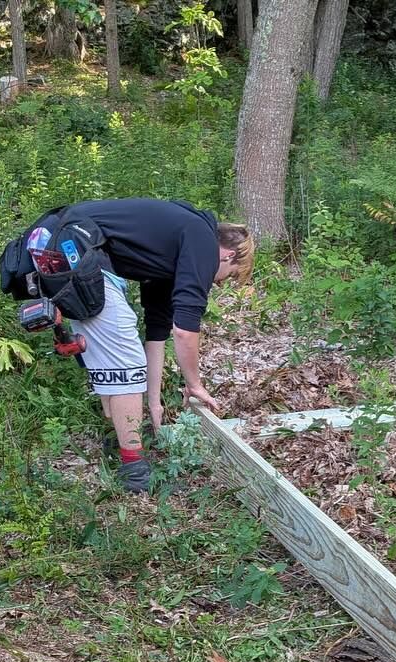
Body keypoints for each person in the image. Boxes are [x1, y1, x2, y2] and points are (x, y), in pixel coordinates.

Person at [26, 198, 254, 491]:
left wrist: (154, 403)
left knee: (111, 358)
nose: (220, 282)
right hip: (75, 248)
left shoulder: (171, 249)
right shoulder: (201, 239)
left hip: (65, 247)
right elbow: (185, 330)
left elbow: (158, 333)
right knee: (125, 363)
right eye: (230, 276)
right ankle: (134, 472)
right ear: (227, 255)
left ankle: (119, 442)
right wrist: (195, 385)